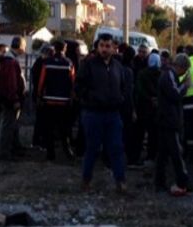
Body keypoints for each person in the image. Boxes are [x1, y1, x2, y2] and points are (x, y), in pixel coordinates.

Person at [76, 33, 130, 193]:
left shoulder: (118, 67)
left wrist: (120, 99)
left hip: (113, 115)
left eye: (108, 46)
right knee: (92, 149)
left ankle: (120, 181)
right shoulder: (88, 64)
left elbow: (124, 87)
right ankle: (86, 181)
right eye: (102, 46)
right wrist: (92, 98)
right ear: (97, 46)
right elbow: (79, 87)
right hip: (93, 114)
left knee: (116, 148)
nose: (105, 49)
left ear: (113, 48)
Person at [156, 53, 191, 196]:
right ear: (181, 67)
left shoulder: (169, 75)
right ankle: (183, 182)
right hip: (169, 121)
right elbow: (175, 94)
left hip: (166, 120)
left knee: (163, 155)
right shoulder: (168, 75)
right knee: (176, 153)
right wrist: (185, 85)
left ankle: (160, 183)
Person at [37, 40, 76, 161]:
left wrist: (39, 95)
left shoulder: (47, 63)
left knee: (49, 128)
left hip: (49, 100)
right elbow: (73, 82)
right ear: (64, 49)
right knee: (64, 128)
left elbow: (41, 81)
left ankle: (50, 153)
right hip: (64, 101)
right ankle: (67, 151)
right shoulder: (69, 63)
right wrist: (72, 97)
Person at [0, 36, 27, 160]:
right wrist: (14, 99)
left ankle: (14, 147)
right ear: (20, 47)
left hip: (10, 98)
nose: (25, 49)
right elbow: (11, 83)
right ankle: (5, 151)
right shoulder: (10, 61)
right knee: (8, 125)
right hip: (10, 99)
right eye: (24, 46)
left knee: (12, 124)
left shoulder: (10, 59)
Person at [135, 51, 161, 163]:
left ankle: (135, 156)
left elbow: (139, 90)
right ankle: (152, 155)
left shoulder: (142, 74)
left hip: (143, 107)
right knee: (153, 134)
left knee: (139, 133)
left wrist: (148, 98)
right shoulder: (161, 74)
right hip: (156, 109)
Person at [31, 43, 54, 149]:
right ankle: (39, 141)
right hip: (42, 96)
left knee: (40, 120)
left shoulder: (38, 62)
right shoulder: (43, 63)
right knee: (43, 120)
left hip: (38, 94)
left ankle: (36, 141)